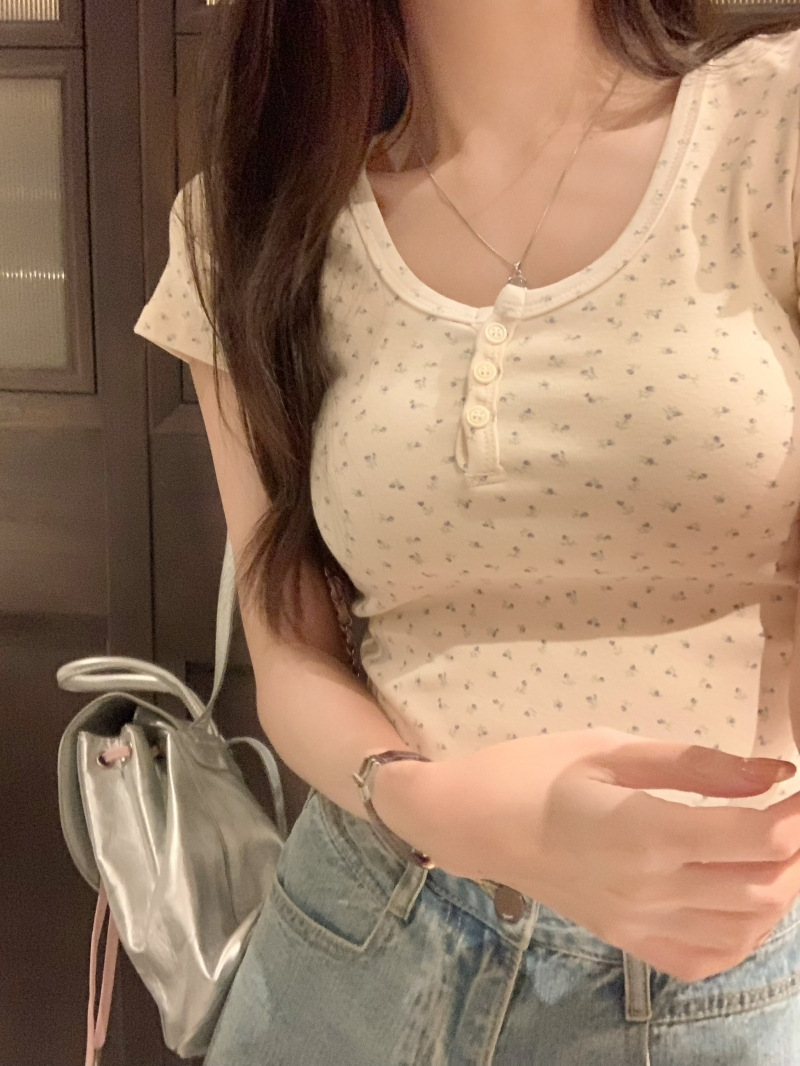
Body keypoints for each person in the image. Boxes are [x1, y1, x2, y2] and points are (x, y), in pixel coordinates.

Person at [134, 1, 800, 1062]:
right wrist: (445, 809)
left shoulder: (773, 122)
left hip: (711, 973)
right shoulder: (246, 222)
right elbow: (289, 652)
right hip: (358, 939)